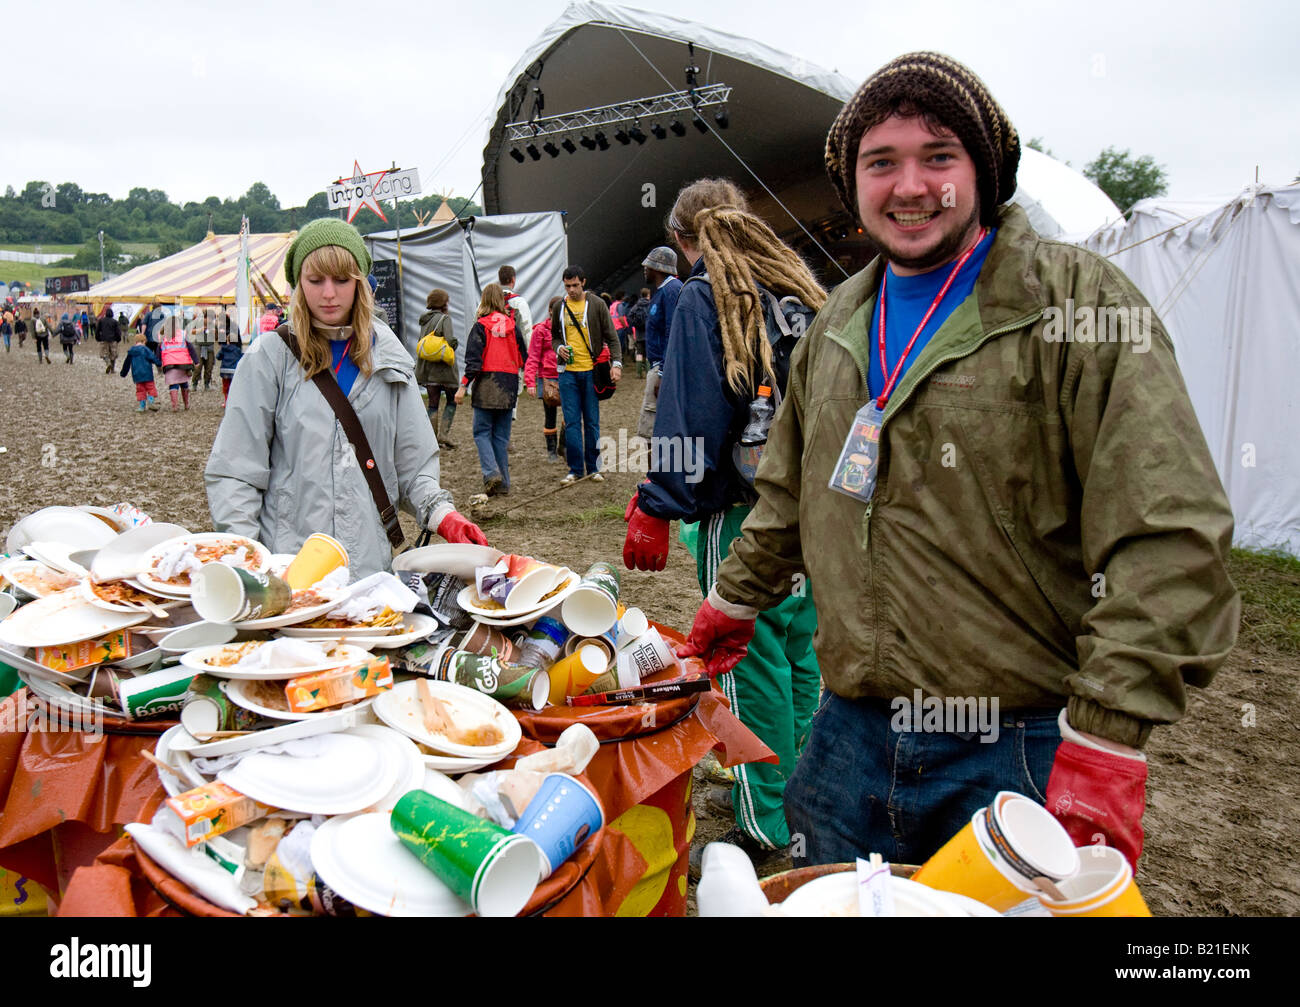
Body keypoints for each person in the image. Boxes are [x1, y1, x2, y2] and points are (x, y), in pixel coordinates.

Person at [676, 52, 1241, 875]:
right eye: (882, 162)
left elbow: (1170, 534)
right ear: (852, 181)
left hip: (1016, 743)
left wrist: (1108, 736)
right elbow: (790, 497)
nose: (911, 185)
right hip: (848, 736)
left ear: (985, 170)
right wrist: (733, 600)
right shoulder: (836, 326)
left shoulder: (1077, 304)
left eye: (939, 156)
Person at [623, 178, 826, 863]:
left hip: (742, 513)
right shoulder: (798, 292)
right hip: (814, 510)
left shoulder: (703, 296)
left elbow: (692, 418)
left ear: (685, 240)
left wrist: (659, 500)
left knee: (750, 665)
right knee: (799, 655)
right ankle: (797, 789)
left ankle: (767, 819)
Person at [205, 218, 487, 578]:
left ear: (360, 283)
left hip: (369, 573)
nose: (328, 294)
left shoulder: (390, 358)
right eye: (315, 280)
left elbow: (413, 468)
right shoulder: (269, 359)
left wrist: (443, 515)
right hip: (291, 574)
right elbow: (235, 474)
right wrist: (250, 565)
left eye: (341, 280)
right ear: (297, 283)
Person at [550, 265, 622, 484]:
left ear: (583, 282)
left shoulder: (597, 305)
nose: (571, 290)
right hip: (567, 374)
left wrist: (616, 363)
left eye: (575, 285)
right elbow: (554, 337)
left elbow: (612, 337)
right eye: (567, 286)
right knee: (571, 423)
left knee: (592, 422)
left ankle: (593, 468)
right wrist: (558, 348)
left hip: (591, 372)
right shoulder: (559, 308)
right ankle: (574, 470)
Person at [456, 283, 528, 497]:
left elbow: (473, 361)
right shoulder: (513, 326)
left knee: (481, 432)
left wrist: (463, 386)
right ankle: (504, 483)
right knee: (501, 437)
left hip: (487, 384)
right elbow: (523, 357)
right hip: (508, 384)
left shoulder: (480, 326)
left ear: (484, 301)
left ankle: (490, 473)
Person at [638, 247, 682, 440]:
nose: (645, 269)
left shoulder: (671, 291)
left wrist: (663, 374)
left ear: (658, 268)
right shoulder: (663, 291)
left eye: (648, 266)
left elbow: (672, 333)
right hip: (658, 366)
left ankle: (652, 471)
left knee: (650, 427)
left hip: (662, 368)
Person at [416, 289, 459, 449]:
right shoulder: (445, 319)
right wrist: (455, 343)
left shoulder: (424, 320)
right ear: (444, 303)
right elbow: (449, 341)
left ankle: (432, 439)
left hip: (427, 369)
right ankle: (444, 434)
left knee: (432, 404)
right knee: (451, 400)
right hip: (444, 369)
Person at [523, 295, 563, 462]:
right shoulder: (540, 330)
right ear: (549, 312)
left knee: (570, 414)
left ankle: (563, 446)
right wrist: (530, 381)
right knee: (550, 414)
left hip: (566, 375)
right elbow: (532, 357)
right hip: (547, 378)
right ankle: (552, 451)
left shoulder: (568, 329)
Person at [159, 316, 199, 410]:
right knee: (184, 382)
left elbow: (159, 349)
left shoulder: (163, 336)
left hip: (169, 363)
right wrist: (196, 361)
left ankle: (175, 406)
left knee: (173, 383)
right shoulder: (183, 333)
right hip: (183, 363)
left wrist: (158, 362)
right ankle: (186, 404)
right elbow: (191, 348)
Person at [120, 332, 162, 412]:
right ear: (144, 341)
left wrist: (123, 373)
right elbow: (153, 358)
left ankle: (142, 406)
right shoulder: (146, 349)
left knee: (140, 390)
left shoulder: (131, 351)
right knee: (150, 388)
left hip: (136, 375)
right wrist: (159, 363)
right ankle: (151, 402)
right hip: (147, 374)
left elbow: (127, 363)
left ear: (135, 342)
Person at [190, 306, 217, 390]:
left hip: (209, 346)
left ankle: (207, 383)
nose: (210, 321)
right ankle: (194, 383)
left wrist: (214, 332)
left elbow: (216, 337)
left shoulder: (213, 325)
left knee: (209, 366)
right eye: (209, 319)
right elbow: (192, 331)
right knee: (198, 366)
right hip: (199, 346)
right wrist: (201, 329)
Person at [626, 287, 651, 377]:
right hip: (649, 332)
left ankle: (638, 373)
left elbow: (629, 316)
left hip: (639, 333)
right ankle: (648, 372)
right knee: (648, 352)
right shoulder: (650, 304)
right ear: (648, 295)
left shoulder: (636, 305)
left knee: (639, 352)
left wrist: (635, 324)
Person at [218, 326, 243, 407]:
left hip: (224, 370)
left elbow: (218, 357)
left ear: (227, 341)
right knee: (233, 386)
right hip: (234, 371)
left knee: (226, 386)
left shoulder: (223, 349)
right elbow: (241, 358)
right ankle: (234, 401)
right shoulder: (237, 350)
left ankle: (226, 402)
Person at [96, 306, 122, 373]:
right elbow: (118, 332)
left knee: (104, 353)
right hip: (113, 340)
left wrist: (98, 338)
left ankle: (108, 363)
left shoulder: (101, 321)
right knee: (113, 355)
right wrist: (118, 339)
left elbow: (97, 330)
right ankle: (112, 369)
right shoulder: (115, 322)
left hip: (104, 339)